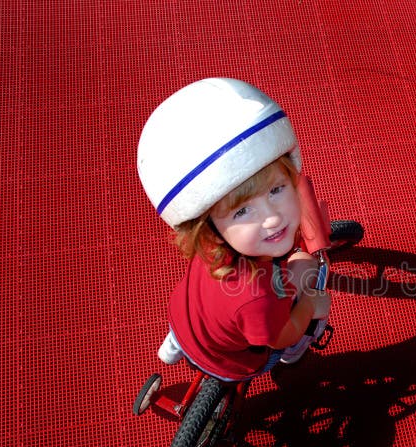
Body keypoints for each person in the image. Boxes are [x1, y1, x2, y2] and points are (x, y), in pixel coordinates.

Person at [136, 78, 330, 382]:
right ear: (209, 227)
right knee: (308, 289)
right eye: (242, 211)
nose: (272, 219)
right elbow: (280, 335)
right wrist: (307, 303)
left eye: (276, 190)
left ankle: (175, 344)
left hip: (184, 319)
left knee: (205, 313)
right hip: (230, 361)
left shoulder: (211, 244)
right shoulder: (260, 296)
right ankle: (297, 353)